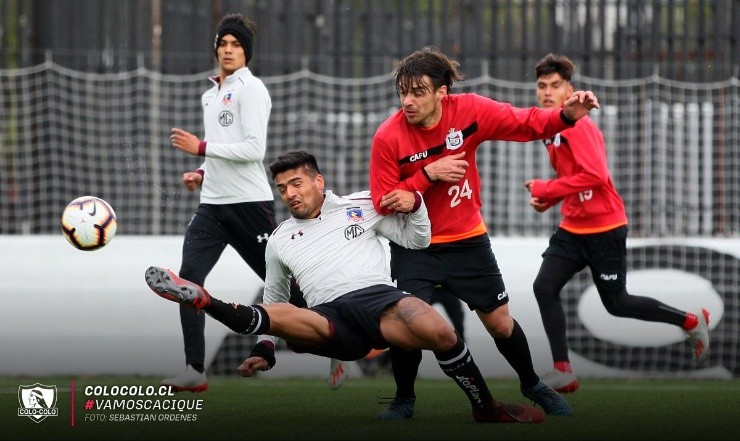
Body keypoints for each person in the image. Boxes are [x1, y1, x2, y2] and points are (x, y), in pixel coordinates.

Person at [146, 150, 547, 423]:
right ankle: (204, 300)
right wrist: (264, 351)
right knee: (280, 313)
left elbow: (417, 240)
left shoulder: (363, 204)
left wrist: (417, 206)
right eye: (283, 189)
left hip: (379, 302)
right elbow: (275, 299)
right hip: (328, 318)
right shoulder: (280, 239)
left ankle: (485, 406)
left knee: (440, 331)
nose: (290, 194)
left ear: (318, 181)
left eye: (297, 183)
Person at [367, 46, 598, 419]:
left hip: (468, 241)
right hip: (414, 247)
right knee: (409, 325)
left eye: (418, 92)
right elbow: (382, 201)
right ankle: (404, 399)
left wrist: (566, 116)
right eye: (403, 92)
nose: (408, 101)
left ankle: (532, 384)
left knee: (500, 324)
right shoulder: (387, 137)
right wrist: (428, 174)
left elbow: (524, 122)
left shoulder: (470, 111)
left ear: (442, 92)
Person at [163, 13, 345, 392]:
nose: (228, 50)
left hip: (248, 205)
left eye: (236, 45)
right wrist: (201, 171)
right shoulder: (210, 95)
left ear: (247, 52)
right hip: (211, 207)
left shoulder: (252, 89)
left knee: (284, 285)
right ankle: (194, 369)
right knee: (187, 282)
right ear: (216, 49)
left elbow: (253, 149)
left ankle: (340, 338)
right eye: (223, 44)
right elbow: (223, 149)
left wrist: (201, 147)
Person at [525, 53, 711, 393]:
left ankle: (690, 321)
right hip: (572, 228)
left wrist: (547, 189)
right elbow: (572, 176)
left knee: (617, 304)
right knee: (544, 287)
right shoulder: (550, 127)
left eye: (555, 85)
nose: (548, 92)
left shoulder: (579, 124)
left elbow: (596, 175)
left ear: (569, 89)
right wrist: (549, 200)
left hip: (604, 229)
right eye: (542, 86)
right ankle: (563, 369)